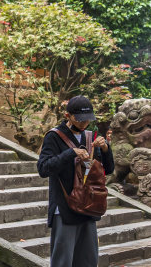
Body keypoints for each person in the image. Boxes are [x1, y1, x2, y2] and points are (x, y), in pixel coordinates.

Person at [38, 96, 114, 267]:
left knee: (88, 259)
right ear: (68, 116)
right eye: (79, 119)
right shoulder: (54, 137)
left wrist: (105, 149)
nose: (84, 123)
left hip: (89, 205)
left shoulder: (91, 137)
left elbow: (107, 170)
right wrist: (71, 153)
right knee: (63, 260)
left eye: (88, 119)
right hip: (64, 206)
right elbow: (43, 168)